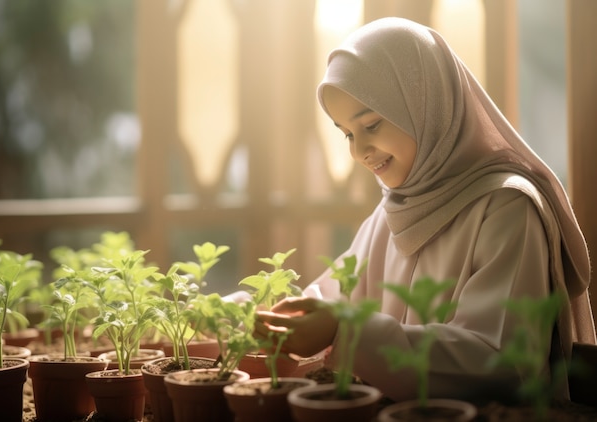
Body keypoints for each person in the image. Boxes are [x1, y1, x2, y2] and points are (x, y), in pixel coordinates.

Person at [254, 17, 596, 402]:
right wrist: (268, 310)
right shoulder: (392, 211)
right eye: (347, 133)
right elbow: (334, 295)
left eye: (371, 124)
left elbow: (500, 364)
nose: (358, 151)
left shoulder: (506, 208)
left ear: (425, 104)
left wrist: (347, 332)